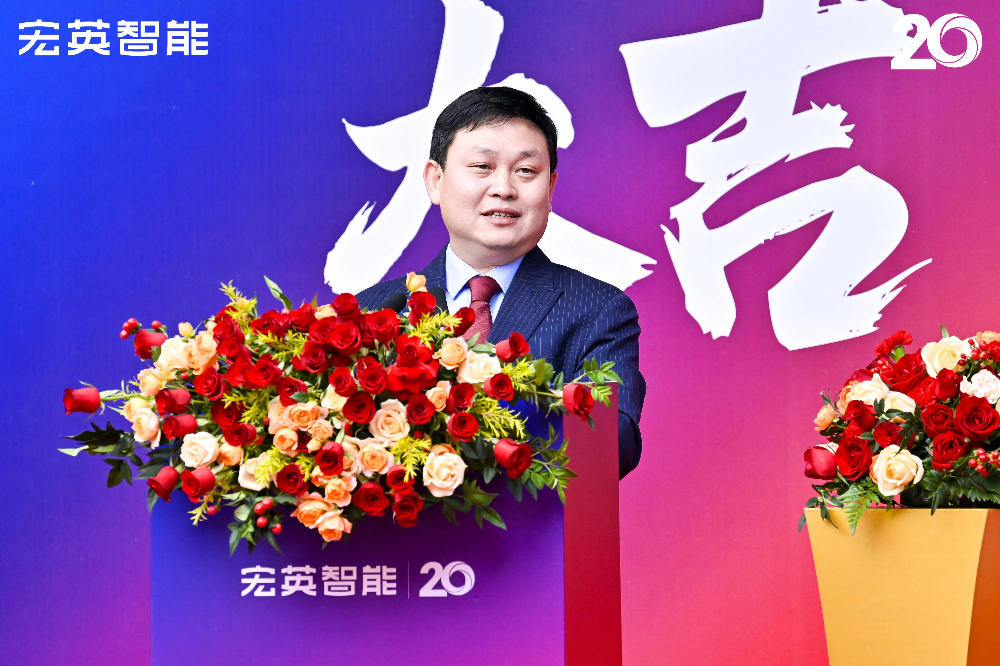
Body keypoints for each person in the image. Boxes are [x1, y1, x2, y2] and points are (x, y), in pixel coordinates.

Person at [355, 86, 645, 478]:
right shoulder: (374, 310)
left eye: (526, 171)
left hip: (529, 515)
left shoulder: (596, 310)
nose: (504, 188)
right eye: (482, 166)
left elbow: (614, 442)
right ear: (435, 180)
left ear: (550, 188)